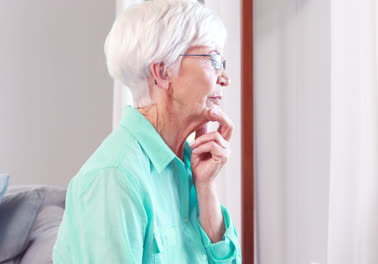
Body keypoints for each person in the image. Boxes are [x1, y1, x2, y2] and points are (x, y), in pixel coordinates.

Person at [53, 0, 241, 263]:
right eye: (213, 60)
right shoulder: (114, 177)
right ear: (163, 72)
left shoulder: (191, 164)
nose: (225, 78)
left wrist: (206, 187)